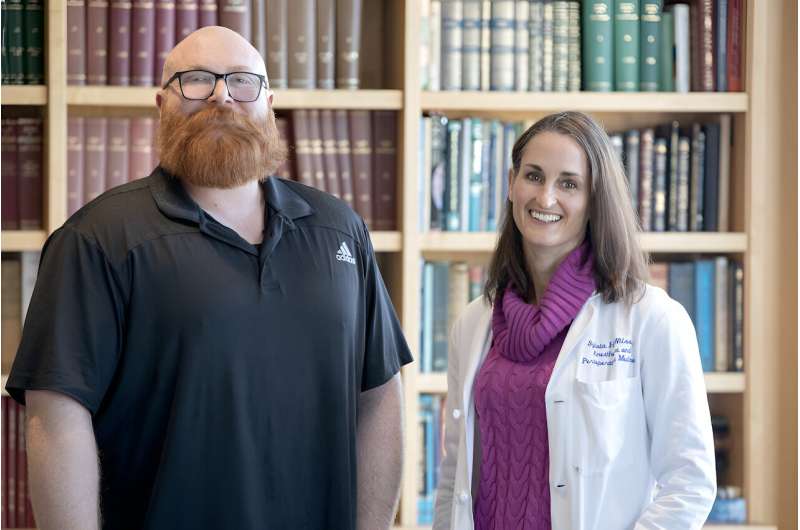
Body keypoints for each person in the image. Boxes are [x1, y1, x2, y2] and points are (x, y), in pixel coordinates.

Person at [6, 26, 412, 530]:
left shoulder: (340, 230)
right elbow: (56, 415)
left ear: (270, 103)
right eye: (195, 81)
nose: (222, 96)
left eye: (242, 81)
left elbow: (378, 394)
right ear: (161, 103)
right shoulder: (97, 240)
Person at [433, 111, 716, 530]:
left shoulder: (651, 319)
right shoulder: (474, 324)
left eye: (569, 183)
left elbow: (690, 483)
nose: (545, 198)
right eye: (533, 176)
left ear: (594, 200)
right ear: (511, 184)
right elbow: (454, 477)